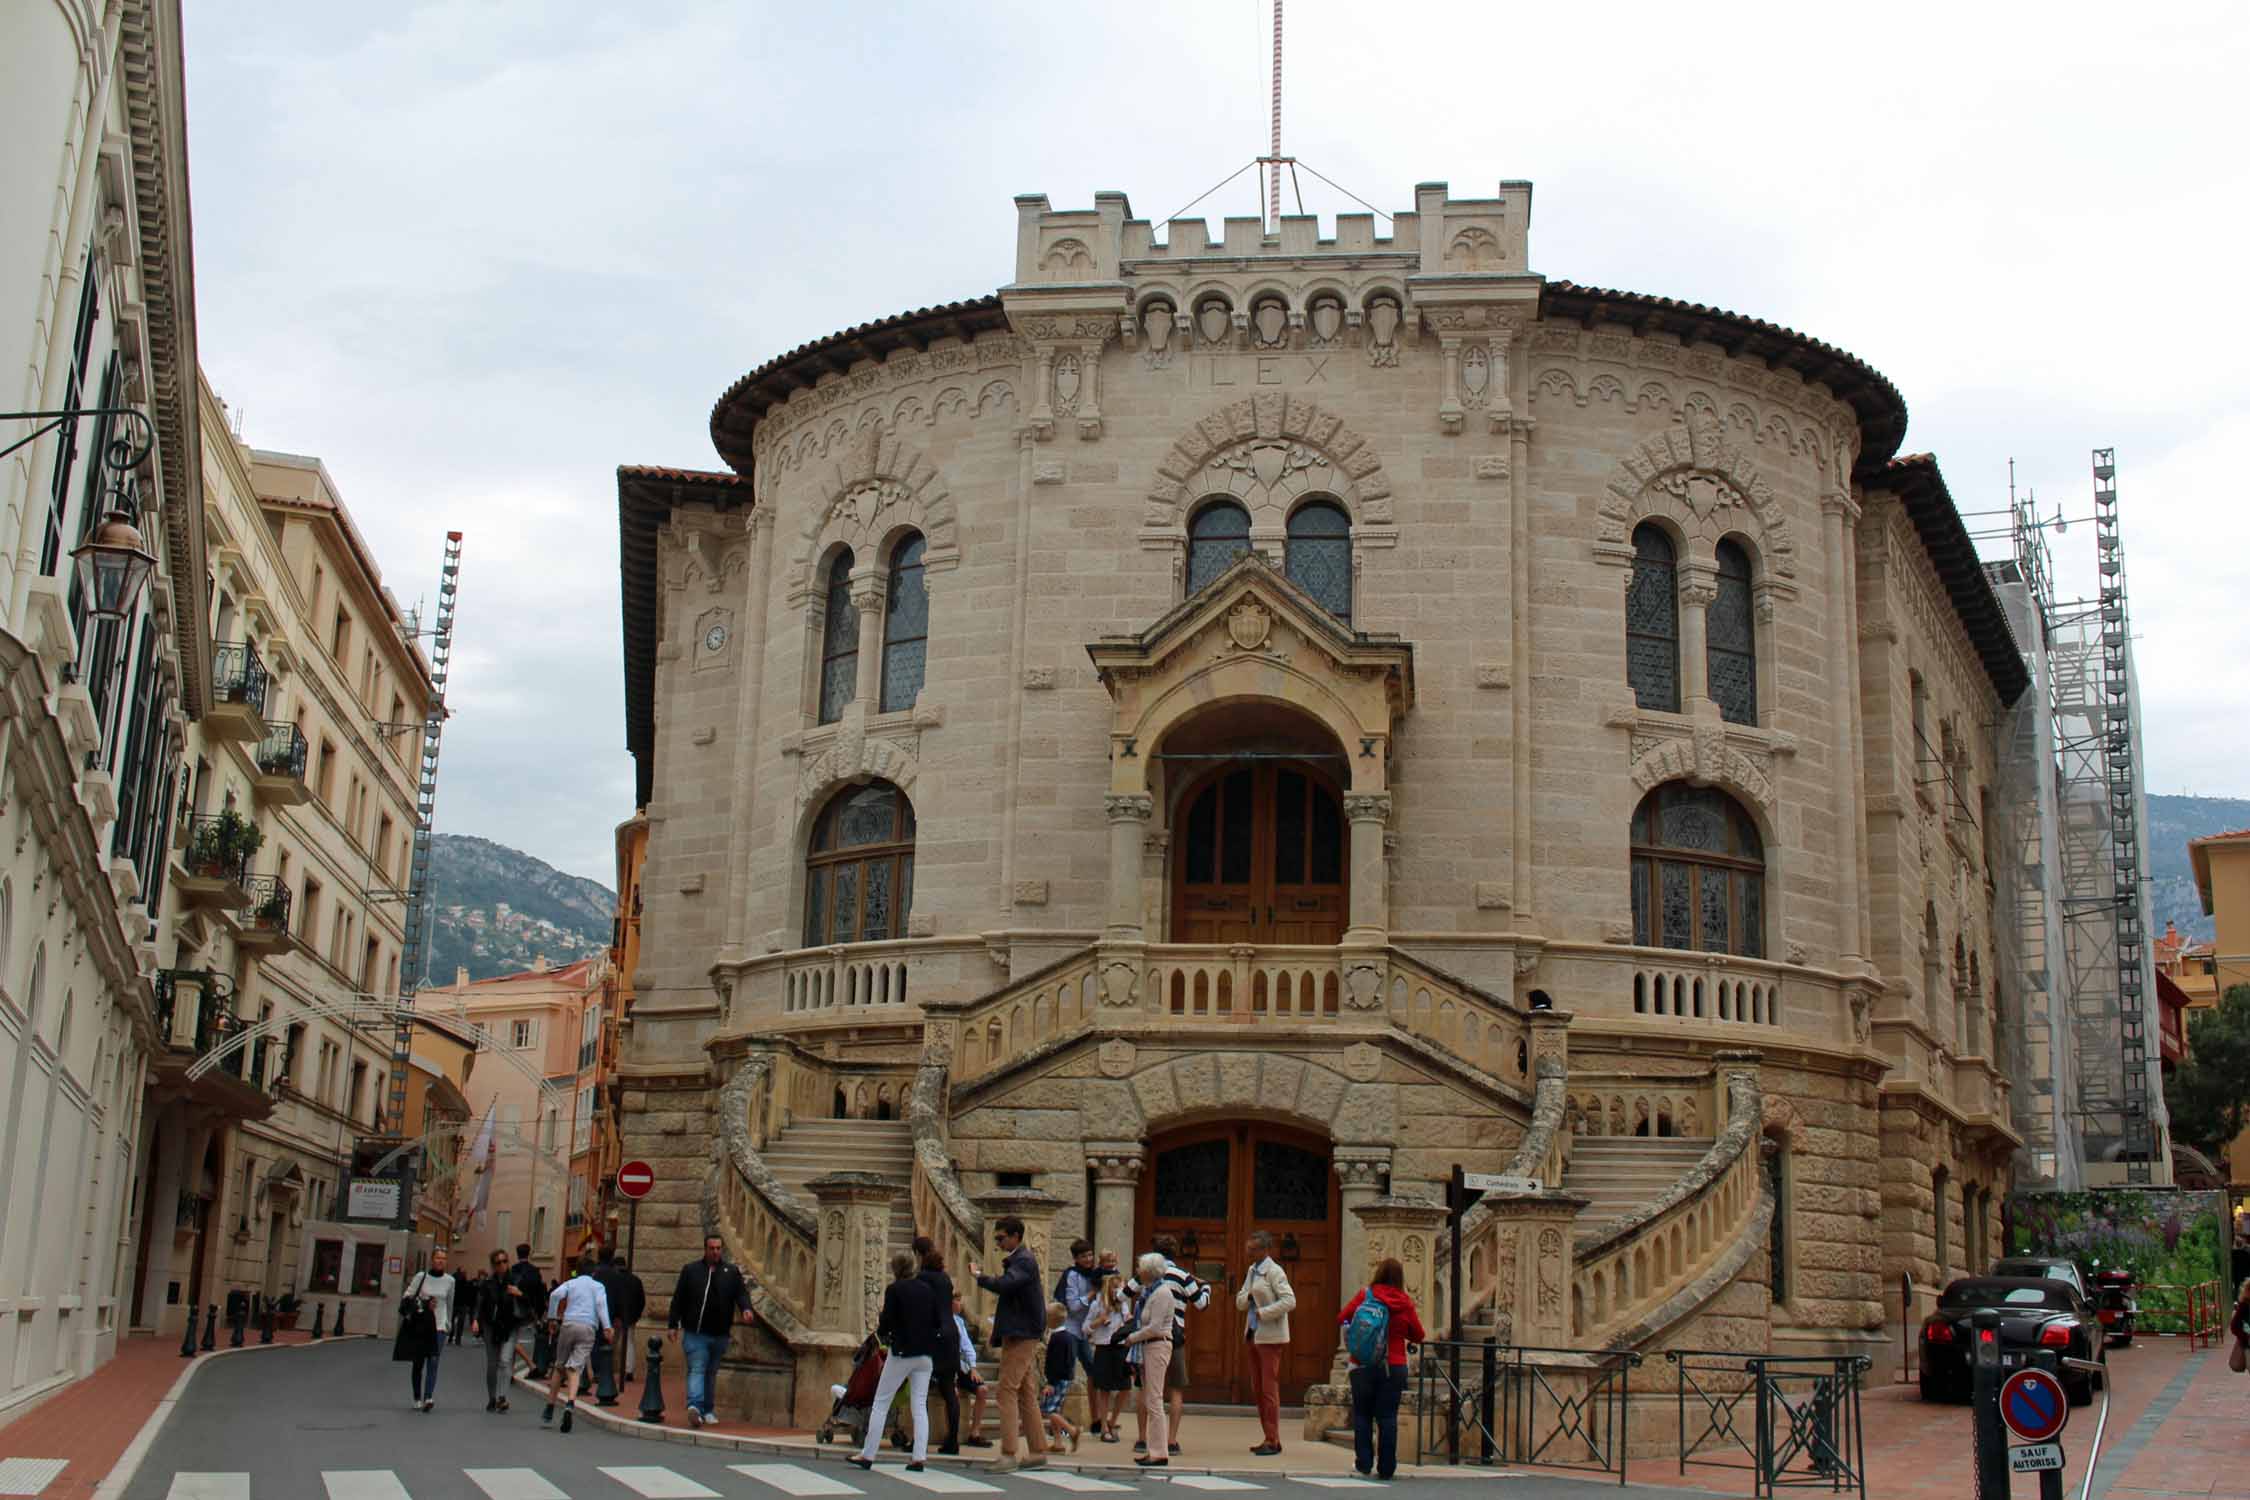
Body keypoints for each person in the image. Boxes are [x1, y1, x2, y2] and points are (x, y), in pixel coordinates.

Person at [849, 1250, 946, 1472]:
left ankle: (868, 1454)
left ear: (895, 1269)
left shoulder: (895, 1290)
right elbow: (938, 1321)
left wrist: (884, 1331)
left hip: (902, 1351)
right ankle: (918, 1457)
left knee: (881, 1402)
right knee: (919, 1406)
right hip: (925, 1354)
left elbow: (887, 1322)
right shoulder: (927, 1290)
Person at [969, 1215, 1048, 1472]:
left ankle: (1009, 1453)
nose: (998, 1243)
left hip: (1021, 1333)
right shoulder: (1022, 1260)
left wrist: (980, 1277)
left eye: (1001, 1238)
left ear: (1016, 1236)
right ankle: (1037, 1451)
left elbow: (1006, 1285)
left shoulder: (1023, 1260)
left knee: (1006, 1390)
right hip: (1022, 1331)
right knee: (1025, 1391)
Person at [1339, 1258, 1425, 1480]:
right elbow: (1419, 1334)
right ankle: (1387, 1468)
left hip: (1362, 1363)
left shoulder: (1365, 1295)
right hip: (1393, 1365)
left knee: (1362, 1414)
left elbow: (1342, 1317)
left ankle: (1364, 1462)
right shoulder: (1404, 1302)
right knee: (1387, 1417)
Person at [1128, 1233, 1208, 1456]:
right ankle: (1171, 1440)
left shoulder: (1146, 1276)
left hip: (1152, 1337)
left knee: (1147, 1389)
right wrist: (1207, 1288)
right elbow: (1201, 1304)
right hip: (1176, 1335)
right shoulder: (1183, 1275)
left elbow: (1123, 1293)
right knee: (1175, 1388)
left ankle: (1143, 1438)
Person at [666, 1234, 754, 1427]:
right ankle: (695, 1407)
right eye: (711, 1248)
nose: (715, 1252)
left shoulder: (730, 1272)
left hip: (720, 1333)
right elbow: (678, 1299)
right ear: (705, 1249)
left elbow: (741, 1293)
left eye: (718, 1248)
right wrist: (673, 1324)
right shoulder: (691, 1271)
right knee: (697, 1368)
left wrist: (746, 1309)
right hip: (696, 1333)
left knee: (711, 1372)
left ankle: (707, 1409)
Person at [1235, 1229, 1298, 1456]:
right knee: (1258, 1388)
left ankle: (1273, 1438)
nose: (1248, 1253)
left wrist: (1264, 1312)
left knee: (1269, 1389)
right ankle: (1268, 1436)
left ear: (1264, 1250)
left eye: (1252, 1250)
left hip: (1270, 1336)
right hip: (1253, 1334)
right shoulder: (1252, 1271)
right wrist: (1249, 1297)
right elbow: (1240, 1300)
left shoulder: (1274, 1271)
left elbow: (1289, 1301)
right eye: (1248, 1249)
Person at [542, 1249, 612, 1434]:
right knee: (575, 1368)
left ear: (577, 1270)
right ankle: (570, 1402)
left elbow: (555, 1295)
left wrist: (552, 1318)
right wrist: (607, 1327)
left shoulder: (571, 1283)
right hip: (588, 1327)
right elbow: (601, 1306)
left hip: (569, 1323)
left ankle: (550, 1406)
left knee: (560, 1365)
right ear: (593, 1271)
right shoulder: (598, 1287)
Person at [1124, 1253, 1178, 1468]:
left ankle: (1158, 1452)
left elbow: (1155, 1326)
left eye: (1140, 1268)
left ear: (1148, 1271)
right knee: (1151, 1399)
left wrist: (1132, 1338)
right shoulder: (1150, 1292)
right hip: (1149, 1346)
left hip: (1158, 1344)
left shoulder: (1162, 1293)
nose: (1138, 1272)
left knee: (1154, 1400)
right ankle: (1155, 1450)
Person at [912, 1240, 963, 1454]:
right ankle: (952, 1440)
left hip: (933, 1336)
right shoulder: (945, 1280)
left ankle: (917, 1440)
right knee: (949, 1390)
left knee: (919, 1391)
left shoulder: (922, 1279)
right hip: (951, 1333)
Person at [469, 1248, 523, 1413]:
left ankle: (502, 1397)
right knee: (492, 1364)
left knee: (505, 1360)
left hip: (509, 1326)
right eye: (499, 1262)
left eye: (505, 1261)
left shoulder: (515, 1280)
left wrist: (519, 1293)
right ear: (493, 1265)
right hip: (491, 1326)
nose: (503, 1265)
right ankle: (492, 1397)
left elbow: (528, 1300)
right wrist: (476, 1320)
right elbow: (479, 1302)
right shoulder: (487, 1284)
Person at [403, 1247, 456, 1413]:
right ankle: (417, 1397)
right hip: (421, 1325)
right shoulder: (421, 1277)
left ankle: (428, 1397)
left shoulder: (450, 1281)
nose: (440, 1261)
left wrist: (449, 1324)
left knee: (434, 1361)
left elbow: (449, 1303)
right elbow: (407, 1296)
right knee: (418, 1362)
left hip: (439, 1326)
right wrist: (424, 1303)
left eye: (444, 1258)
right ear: (432, 1260)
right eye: (438, 1258)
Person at [1084, 1276, 1134, 1443]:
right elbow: (1085, 1328)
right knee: (1104, 1389)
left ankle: (1113, 1421)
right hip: (1103, 1347)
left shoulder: (1123, 1306)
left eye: (1120, 1288)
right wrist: (1098, 1321)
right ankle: (1104, 1426)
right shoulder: (1097, 1305)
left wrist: (1128, 1323)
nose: (1118, 1292)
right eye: (1115, 1288)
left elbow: (1129, 1321)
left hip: (1120, 1348)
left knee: (1126, 1387)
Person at [1039, 1301, 1082, 1452]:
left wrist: (1050, 1382)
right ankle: (1058, 1443)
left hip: (1056, 1379)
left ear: (1051, 1319)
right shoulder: (1068, 1337)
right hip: (1065, 1378)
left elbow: (1054, 1363)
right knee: (1055, 1410)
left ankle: (1071, 1431)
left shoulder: (1057, 1339)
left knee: (1048, 1411)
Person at [953, 1296, 993, 1447]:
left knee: (982, 1390)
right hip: (945, 1365)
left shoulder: (959, 1321)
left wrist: (973, 1368)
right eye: (957, 1300)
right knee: (953, 1394)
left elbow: (967, 1345)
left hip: (961, 1365)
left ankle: (974, 1433)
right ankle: (953, 1433)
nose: (961, 1304)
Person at [506, 1244, 547, 1377]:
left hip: (514, 1308)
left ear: (517, 1254)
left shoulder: (513, 1271)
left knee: (511, 1338)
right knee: (516, 1338)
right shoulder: (534, 1271)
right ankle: (515, 1370)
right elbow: (540, 1293)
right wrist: (540, 1312)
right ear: (529, 1254)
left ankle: (529, 1365)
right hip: (530, 1309)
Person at [610, 1255, 647, 1384]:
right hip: (630, 1318)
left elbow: (612, 1299)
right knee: (629, 1343)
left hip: (616, 1318)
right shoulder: (636, 1280)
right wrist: (635, 1317)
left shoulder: (614, 1280)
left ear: (615, 1266)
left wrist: (614, 1316)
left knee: (612, 1343)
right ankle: (629, 1370)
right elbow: (642, 1301)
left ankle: (608, 1368)